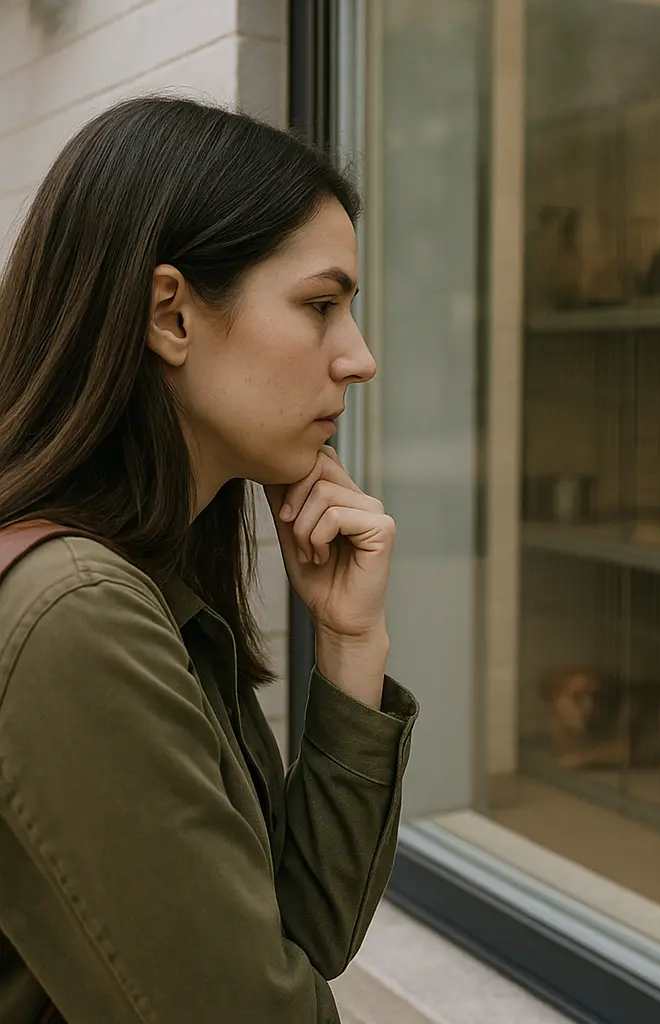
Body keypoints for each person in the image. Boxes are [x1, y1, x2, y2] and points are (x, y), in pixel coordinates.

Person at [0, 95, 417, 1023]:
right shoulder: (76, 616)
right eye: (321, 306)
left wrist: (349, 648)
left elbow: (299, 934)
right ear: (171, 316)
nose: (359, 358)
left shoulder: (146, 578)